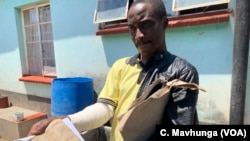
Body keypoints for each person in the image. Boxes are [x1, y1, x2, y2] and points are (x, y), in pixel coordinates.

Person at [28, 0, 200, 140]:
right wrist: (65, 121)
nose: (139, 35)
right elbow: (105, 108)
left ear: (165, 24)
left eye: (146, 25)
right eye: (132, 28)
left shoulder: (181, 72)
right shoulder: (121, 66)